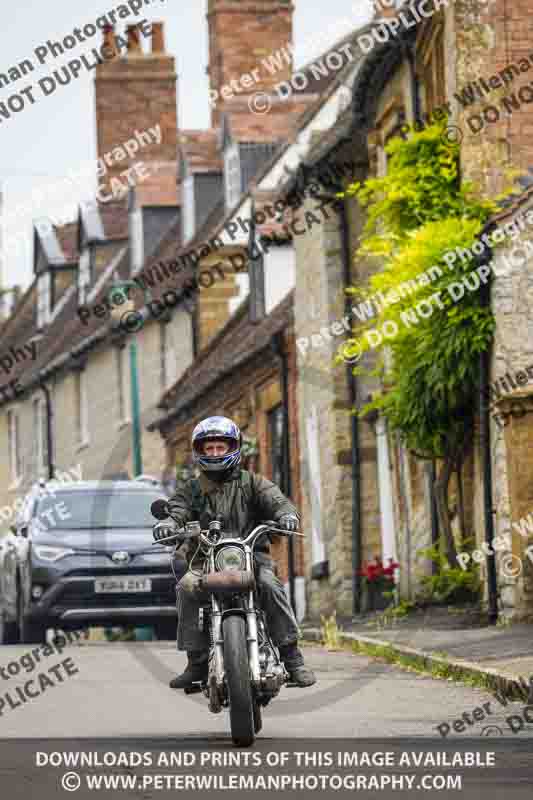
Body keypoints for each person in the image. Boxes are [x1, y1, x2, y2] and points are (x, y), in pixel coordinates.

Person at [156, 415, 316, 689]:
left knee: (269, 585)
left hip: (251, 556)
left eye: (221, 447)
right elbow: (178, 510)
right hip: (204, 559)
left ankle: (293, 659)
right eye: (210, 448)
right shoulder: (192, 489)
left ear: (233, 448)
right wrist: (169, 523)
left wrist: (286, 515)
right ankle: (196, 662)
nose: (215, 453)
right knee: (186, 588)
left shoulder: (253, 483)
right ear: (200, 452)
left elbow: (277, 502)